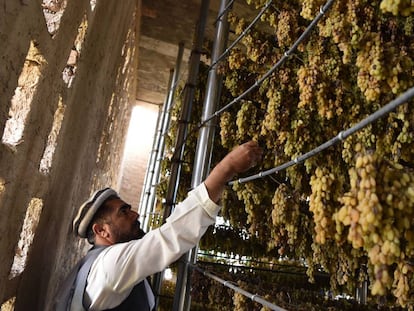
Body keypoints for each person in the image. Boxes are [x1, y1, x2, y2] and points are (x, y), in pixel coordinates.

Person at [54, 141, 263, 311]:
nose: (135, 214)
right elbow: (170, 237)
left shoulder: (92, 267)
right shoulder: (109, 266)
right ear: (101, 230)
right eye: (124, 212)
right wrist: (226, 168)